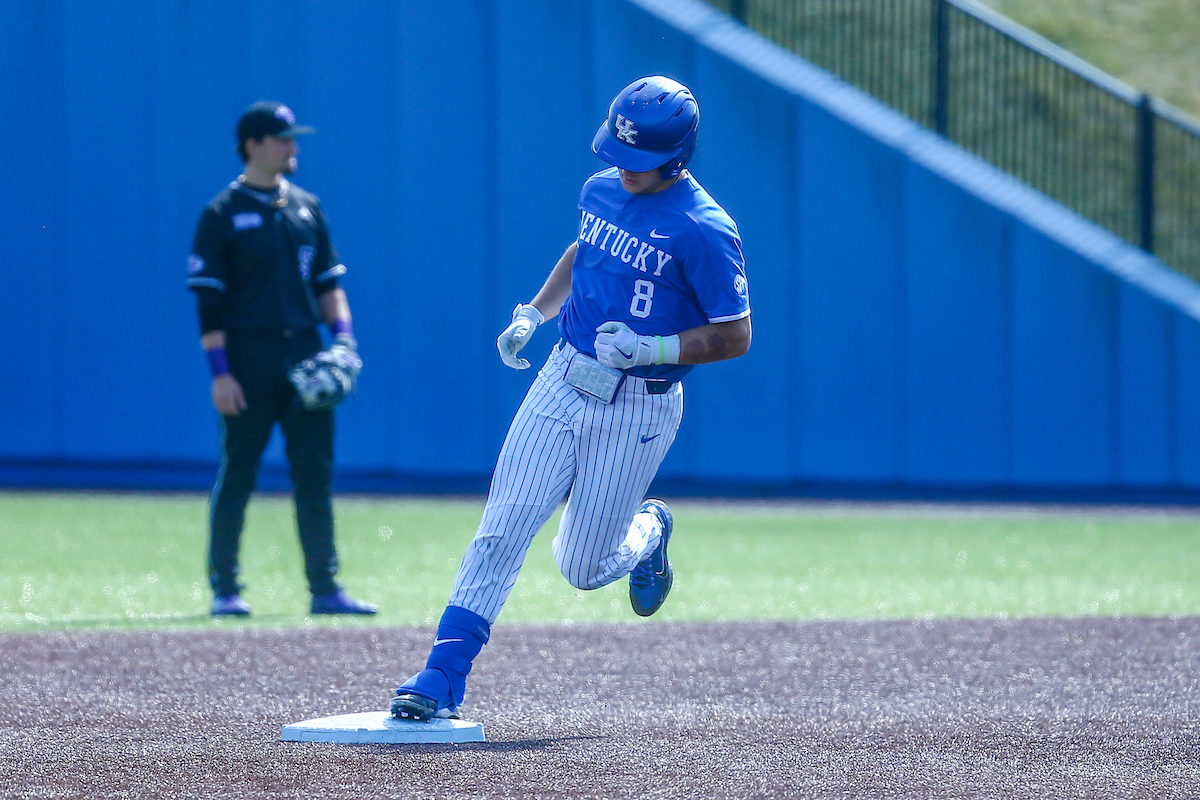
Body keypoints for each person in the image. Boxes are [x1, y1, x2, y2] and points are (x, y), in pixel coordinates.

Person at [390, 76, 752, 721]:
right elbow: (586, 250)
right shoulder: (602, 190)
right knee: (502, 528)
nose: (622, 168)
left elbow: (735, 334)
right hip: (561, 379)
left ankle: (651, 528)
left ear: (678, 158)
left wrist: (655, 349)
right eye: (617, 151)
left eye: (638, 161)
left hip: (639, 403)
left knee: (583, 568)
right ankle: (442, 675)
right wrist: (535, 313)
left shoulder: (704, 229)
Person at [186, 100, 377, 617]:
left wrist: (344, 341)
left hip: (304, 351)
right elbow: (209, 303)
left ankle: (325, 588)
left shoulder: (306, 207)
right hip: (248, 356)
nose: (293, 148)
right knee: (240, 470)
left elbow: (328, 285)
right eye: (283, 138)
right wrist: (220, 374)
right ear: (254, 145)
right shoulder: (222, 213)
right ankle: (225, 588)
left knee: (314, 473)